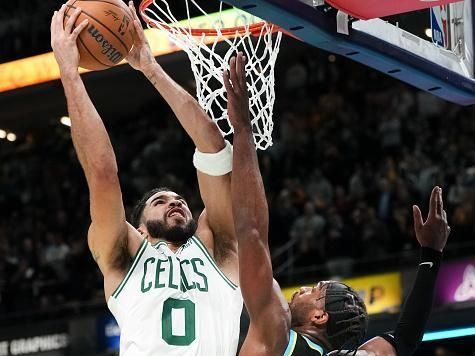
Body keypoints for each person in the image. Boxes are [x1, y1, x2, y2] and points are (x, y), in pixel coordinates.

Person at [225, 52, 450, 355]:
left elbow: (251, 230)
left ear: (319, 316)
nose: (302, 289)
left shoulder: (278, 330)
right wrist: (430, 256)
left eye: (314, 291)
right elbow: (405, 338)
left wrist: (242, 130)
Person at [50, 4, 242, 356]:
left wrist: (150, 67)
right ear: (137, 229)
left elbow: (214, 151)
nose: (176, 202)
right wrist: (68, 71)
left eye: (179, 200)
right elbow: (102, 173)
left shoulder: (220, 249)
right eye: (161, 201)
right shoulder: (123, 258)